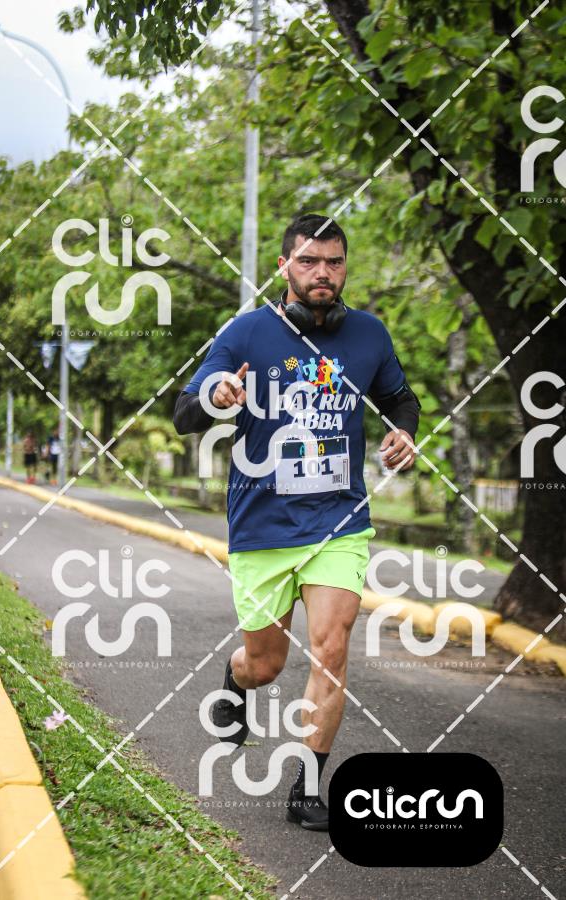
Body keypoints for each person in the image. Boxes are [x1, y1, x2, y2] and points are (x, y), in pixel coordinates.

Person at [173, 214, 421, 831]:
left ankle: (308, 787)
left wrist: (403, 431)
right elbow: (183, 412)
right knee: (266, 665)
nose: (322, 273)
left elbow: (400, 398)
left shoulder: (368, 334)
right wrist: (217, 396)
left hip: (340, 520)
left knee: (332, 649)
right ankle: (236, 680)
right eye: (309, 261)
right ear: (285, 266)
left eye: (334, 262)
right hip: (262, 524)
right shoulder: (245, 332)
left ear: (345, 267)